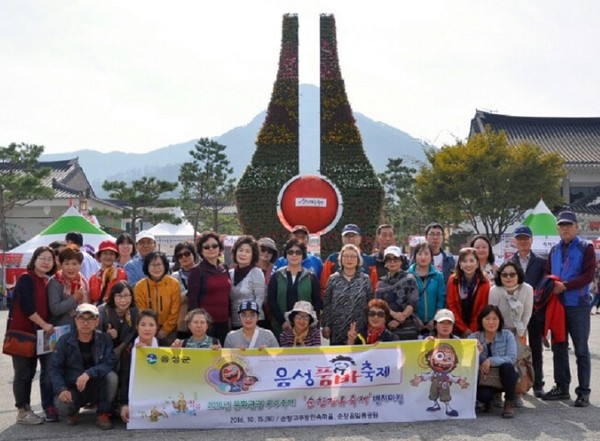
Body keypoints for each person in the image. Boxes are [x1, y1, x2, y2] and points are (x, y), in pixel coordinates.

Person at [541, 211, 596, 407]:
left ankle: (584, 391)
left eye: (568, 225)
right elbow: (548, 272)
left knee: (581, 349)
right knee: (559, 347)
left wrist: (566, 286)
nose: (564, 228)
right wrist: (550, 285)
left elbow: (588, 275)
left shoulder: (586, 247)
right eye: (561, 225)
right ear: (557, 228)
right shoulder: (554, 249)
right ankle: (562, 387)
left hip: (578, 304)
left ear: (576, 227)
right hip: (558, 305)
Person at [7, 246, 56, 424]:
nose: (46, 262)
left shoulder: (47, 281)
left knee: (34, 371)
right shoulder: (26, 279)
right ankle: (22, 411)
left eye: (50, 259)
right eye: (42, 258)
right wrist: (44, 325)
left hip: (40, 336)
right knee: (23, 373)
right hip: (23, 333)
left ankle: (28, 410)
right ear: (34, 259)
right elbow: (28, 307)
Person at [51, 303, 118, 430]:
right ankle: (73, 411)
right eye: (81, 318)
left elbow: (110, 362)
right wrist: (61, 389)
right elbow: (55, 368)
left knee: (112, 377)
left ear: (96, 321)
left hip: (96, 385)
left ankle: (103, 413)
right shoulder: (64, 341)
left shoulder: (104, 339)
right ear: (75, 320)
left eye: (90, 319)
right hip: (73, 387)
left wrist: (89, 373)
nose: (85, 323)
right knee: (62, 406)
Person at [509, 224, 547, 397]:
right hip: (515, 313)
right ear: (514, 242)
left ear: (531, 240)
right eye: (520, 239)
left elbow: (545, 284)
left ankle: (538, 383)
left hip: (536, 311)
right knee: (517, 349)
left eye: (526, 238)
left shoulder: (541, 261)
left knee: (536, 348)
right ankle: (520, 382)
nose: (523, 242)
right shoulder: (510, 262)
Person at [488, 261, 533, 408]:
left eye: (512, 274)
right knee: (500, 361)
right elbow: (492, 314)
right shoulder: (495, 290)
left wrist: (521, 332)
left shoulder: (527, 289)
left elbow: (527, 313)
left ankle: (516, 393)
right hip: (499, 330)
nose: (508, 277)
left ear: (518, 274)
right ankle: (497, 394)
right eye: (504, 274)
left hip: (519, 330)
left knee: (520, 362)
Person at [470, 305, 518, 419]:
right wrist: (478, 353)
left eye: (495, 318)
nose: (491, 322)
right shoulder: (473, 337)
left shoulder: (507, 335)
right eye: (487, 318)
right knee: (483, 396)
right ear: (481, 320)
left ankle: (509, 402)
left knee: (507, 367)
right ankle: (489, 400)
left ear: (500, 320)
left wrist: (491, 360)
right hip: (486, 379)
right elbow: (467, 364)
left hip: (505, 376)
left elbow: (512, 358)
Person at [322, 244, 374, 346]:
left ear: (358, 260)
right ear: (341, 259)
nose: (349, 259)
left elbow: (370, 303)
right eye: (345, 256)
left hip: (359, 328)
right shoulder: (333, 279)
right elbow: (327, 303)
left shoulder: (365, 279)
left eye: (353, 256)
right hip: (337, 329)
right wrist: (326, 325)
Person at [267, 239, 321, 338]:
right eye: (290, 252)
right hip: (281, 328)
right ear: (286, 255)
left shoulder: (311, 277)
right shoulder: (277, 276)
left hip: (306, 329)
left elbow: (317, 302)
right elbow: (271, 300)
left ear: (303, 255)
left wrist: (307, 321)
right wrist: (282, 322)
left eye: (298, 252)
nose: (294, 255)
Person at [187, 232, 231, 345]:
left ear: (220, 248)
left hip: (224, 322)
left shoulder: (224, 268)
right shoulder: (196, 271)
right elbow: (192, 300)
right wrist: (196, 324)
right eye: (206, 247)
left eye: (215, 246)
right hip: (205, 325)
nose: (211, 249)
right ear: (201, 251)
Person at [116, 309, 159, 424]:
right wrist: (125, 404)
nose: (147, 329)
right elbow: (124, 378)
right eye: (143, 325)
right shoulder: (129, 350)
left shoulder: (163, 346)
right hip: (136, 394)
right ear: (137, 327)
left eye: (151, 325)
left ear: (156, 327)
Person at [133, 251, 181, 346]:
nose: (156, 268)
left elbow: (175, 310)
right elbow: (141, 311)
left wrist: (165, 330)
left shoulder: (174, 284)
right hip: (147, 330)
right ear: (147, 266)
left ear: (165, 266)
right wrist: (151, 328)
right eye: (152, 265)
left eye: (159, 264)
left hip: (169, 331)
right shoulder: (140, 286)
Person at [376, 246, 420, 340]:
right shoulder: (381, 283)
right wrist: (394, 315)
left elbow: (413, 302)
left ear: (401, 261)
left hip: (408, 325)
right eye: (389, 259)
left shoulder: (409, 279)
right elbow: (379, 305)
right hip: (387, 327)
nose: (392, 262)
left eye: (395, 259)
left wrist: (401, 318)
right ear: (385, 262)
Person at [446, 247, 491, 338]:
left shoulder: (484, 282)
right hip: (456, 327)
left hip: (477, 328)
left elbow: (482, 307)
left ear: (477, 263)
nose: (468, 264)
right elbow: (451, 305)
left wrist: (472, 329)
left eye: (471, 260)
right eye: (464, 261)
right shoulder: (453, 280)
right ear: (460, 264)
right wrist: (463, 329)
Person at [321, 224, 378, 294]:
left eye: (353, 235)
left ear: (360, 238)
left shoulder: (369, 261)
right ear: (342, 239)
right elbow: (324, 287)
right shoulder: (332, 259)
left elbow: (374, 288)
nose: (350, 239)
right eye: (347, 236)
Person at [408, 242, 446, 335]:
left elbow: (441, 300)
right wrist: (415, 318)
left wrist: (435, 319)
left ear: (431, 256)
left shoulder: (438, 276)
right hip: (413, 322)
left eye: (426, 254)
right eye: (420, 254)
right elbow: (406, 301)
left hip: (433, 323)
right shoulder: (407, 276)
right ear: (415, 256)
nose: (423, 257)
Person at [229, 236, 266, 329]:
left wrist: (250, 318)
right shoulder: (230, 273)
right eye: (240, 250)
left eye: (247, 251)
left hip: (254, 322)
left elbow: (260, 298)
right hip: (235, 322)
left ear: (253, 255)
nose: (243, 254)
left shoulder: (256, 272)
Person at [48, 246, 90, 327]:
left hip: (81, 328)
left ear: (80, 265)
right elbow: (55, 309)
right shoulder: (55, 281)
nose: (71, 268)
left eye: (74, 264)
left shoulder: (83, 281)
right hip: (61, 329)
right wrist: (74, 298)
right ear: (61, 264)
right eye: (66, 263)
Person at [97, 281, 139, 359]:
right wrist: (106, 335)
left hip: (126, 350)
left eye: (126, 296)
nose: (123, 300)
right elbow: (95, 334)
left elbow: (133, 331)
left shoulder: (134, 310)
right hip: (104, 351)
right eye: (119, 296)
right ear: (113, 296)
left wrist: (120, 348)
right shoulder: (102, 311)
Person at [171, 241, 199, 338]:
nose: (184, 257)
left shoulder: (202, 273)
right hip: (182, 323)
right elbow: (174, 299)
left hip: (201, 322)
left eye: (187, 254)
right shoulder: (174, 277)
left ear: (193, 254)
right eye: (180, 255)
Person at [88, 240, 127, 305]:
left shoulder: (120, 273)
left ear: (115, 257)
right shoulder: (93, 278)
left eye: (111, 254)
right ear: (100, 256)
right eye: (105, 253)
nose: (108, 257)